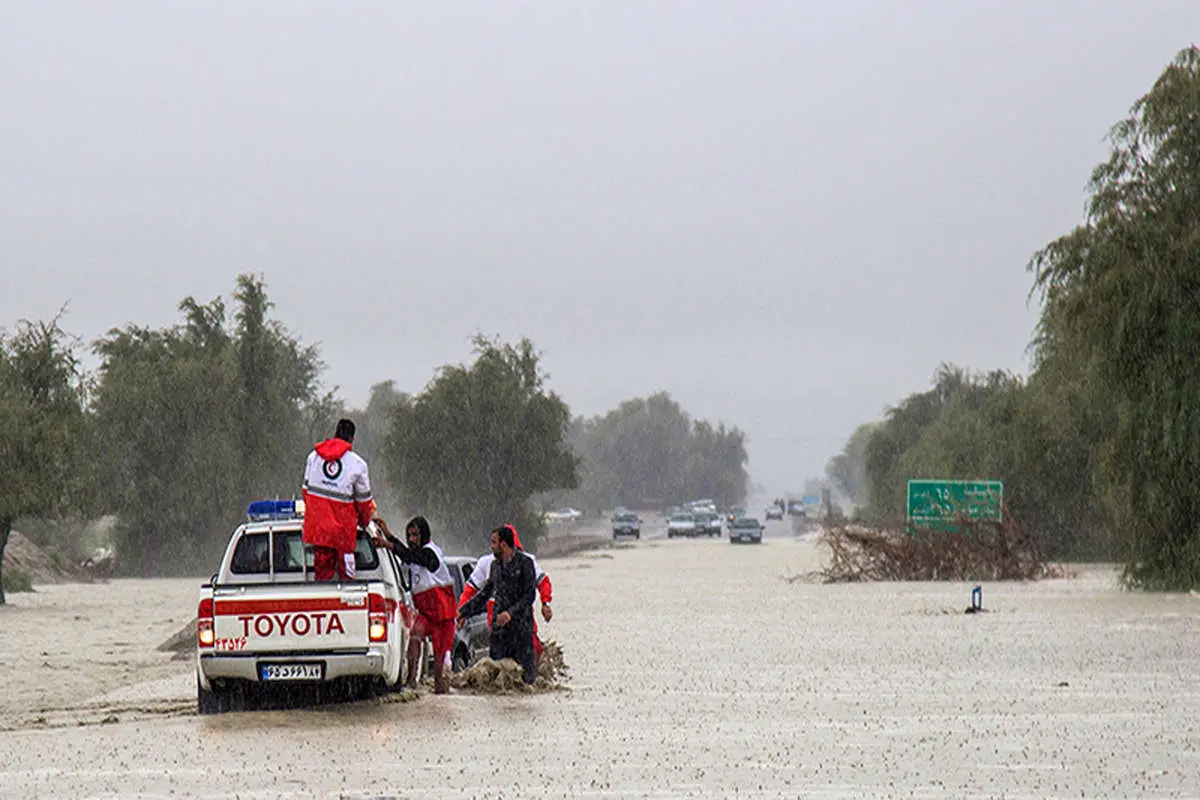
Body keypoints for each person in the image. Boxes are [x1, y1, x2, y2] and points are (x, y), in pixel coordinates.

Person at [373, 515, 457, 694]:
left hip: (443, 616)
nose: (412, 540)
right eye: (409, 535)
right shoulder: (413, 556)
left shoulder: (431, 553)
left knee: (440, 669)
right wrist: (389, 535)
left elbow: (412, 555)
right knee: (414, 634)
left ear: (424, 535)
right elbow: (407, 554)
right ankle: (411, 681)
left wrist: (388, 543)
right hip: (426, 613)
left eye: (416, 535)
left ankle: (441, 692)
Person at [457, 525, 538, 685]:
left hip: (521, 632)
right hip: (500, 633)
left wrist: (510, 613)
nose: (491, 546)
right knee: (496, 680)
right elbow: (484, 595)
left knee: (525, 682)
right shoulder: (495, 566)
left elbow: (530, 595)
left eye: (493, 542)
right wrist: (463, 612)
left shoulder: (525, 563)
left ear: (503, 544)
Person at [301, 419, 374, 581]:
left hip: (319, 533)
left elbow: (305, 493)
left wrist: (318, 515)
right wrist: (364, 522)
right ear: (352, 439)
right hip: (344, 534)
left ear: (335, 433)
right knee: (348, 582)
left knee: (323, 582)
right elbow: (363, 503)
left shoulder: (313, 457)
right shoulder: (358, 464)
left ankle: (325, 604)